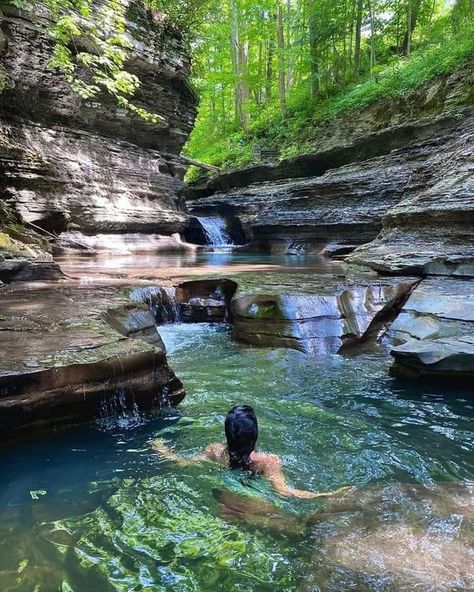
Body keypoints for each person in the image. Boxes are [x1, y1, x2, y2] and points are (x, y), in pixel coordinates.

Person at [153, 404, 352, 500]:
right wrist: (327, 494)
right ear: (254, 434)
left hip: (226, 499)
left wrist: (164, 450)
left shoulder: (215, 451)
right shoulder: (267, 461)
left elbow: (185, 463)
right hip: (255, 501)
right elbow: (284, 492)